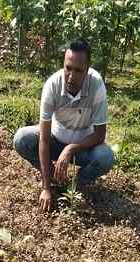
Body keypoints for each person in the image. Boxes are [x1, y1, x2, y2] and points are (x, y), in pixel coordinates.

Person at [13, 38, 114, 212]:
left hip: (83, 150)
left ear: (87, 70)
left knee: (105, 157)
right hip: (54, 141)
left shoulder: (96, 85)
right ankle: (54, 177)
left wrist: (71, 149)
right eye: (68, 68)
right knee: (22, 138)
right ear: (63, 65)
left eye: (78, 70)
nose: (71, 76)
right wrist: (45, 188)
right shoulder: (52, 85)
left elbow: (99, 135)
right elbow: (43, 139)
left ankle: (73, 186)